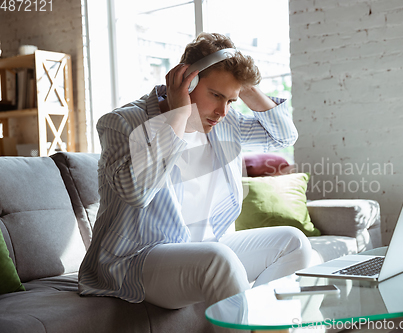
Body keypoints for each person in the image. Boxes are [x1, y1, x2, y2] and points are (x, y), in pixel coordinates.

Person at [78, 32, 313, 331]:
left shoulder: (225, 123)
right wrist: (179, 113)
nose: (223, 111)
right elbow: (136, 191)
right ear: (187, 80)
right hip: (136, 258)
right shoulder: (123, 122)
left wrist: (244, 85)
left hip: (205, 247)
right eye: (216, 95)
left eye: (231, 100)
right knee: (218, 258)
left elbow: (283, 135)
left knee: (293, 243)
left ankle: (257, 323)